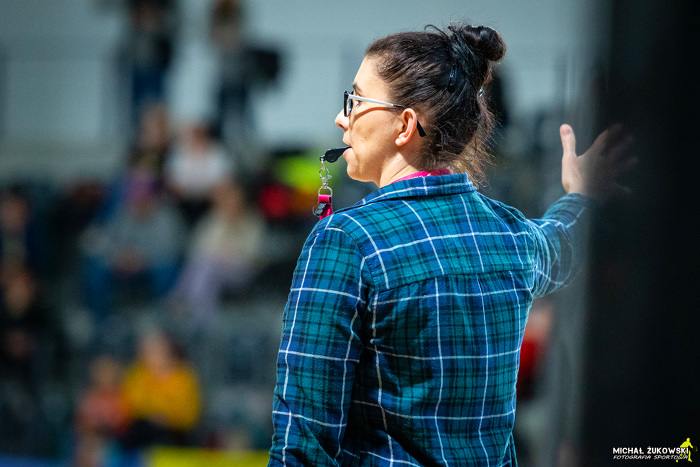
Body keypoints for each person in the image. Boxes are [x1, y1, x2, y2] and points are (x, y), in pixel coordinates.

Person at [268, 23, 634, 466]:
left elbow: (302, 445)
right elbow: (563, 242)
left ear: (405, 124)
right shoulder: (510, 236)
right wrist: (583, 197)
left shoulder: (347, 243)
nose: (342, 118)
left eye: (356, 100)